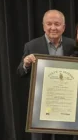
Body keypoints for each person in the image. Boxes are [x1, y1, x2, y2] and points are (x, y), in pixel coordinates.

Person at [17, 9, 75, 140]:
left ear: (64, 27)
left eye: (57, 24)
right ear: (43, 26)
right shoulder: (31, 45)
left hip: (65, 105)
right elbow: (20, 72)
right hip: (40, 106)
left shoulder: (72, 45)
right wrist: (26, 64)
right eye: (49, 24)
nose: (53, 27)